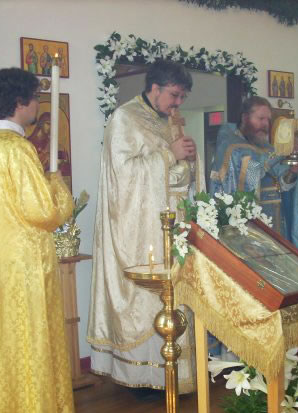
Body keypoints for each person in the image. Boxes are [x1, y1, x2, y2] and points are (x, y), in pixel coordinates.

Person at [87, 60, 202, 394]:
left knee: (176, 296)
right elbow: (122, 175)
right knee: (146, 301)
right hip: (140, 232)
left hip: (172, 227)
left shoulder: (169, 120)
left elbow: (178, 176)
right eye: (175, 95)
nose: (178, 103)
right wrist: (169, 154)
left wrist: (189, 159)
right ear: (155, 87)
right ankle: (146, 379)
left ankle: (177, 376)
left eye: (182, 97)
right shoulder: (125, 118)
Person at [0, 68, 74, 412]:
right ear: (20, 102)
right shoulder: (17, 149)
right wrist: (57, 184)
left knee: (4, 341)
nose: (37, 105)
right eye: (34, 98)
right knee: (31, 340)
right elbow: (44, 211)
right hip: (24, 268)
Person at [209, 96, 298, 249]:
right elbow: (251, 175)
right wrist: (280, 153)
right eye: (260, 119)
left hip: (274, 224)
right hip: (246, 228)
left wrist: (292, 171)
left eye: (268, 120)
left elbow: (281, 182)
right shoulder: (231, 147)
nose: (265, 124)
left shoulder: (266, 148)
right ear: (245, 118)